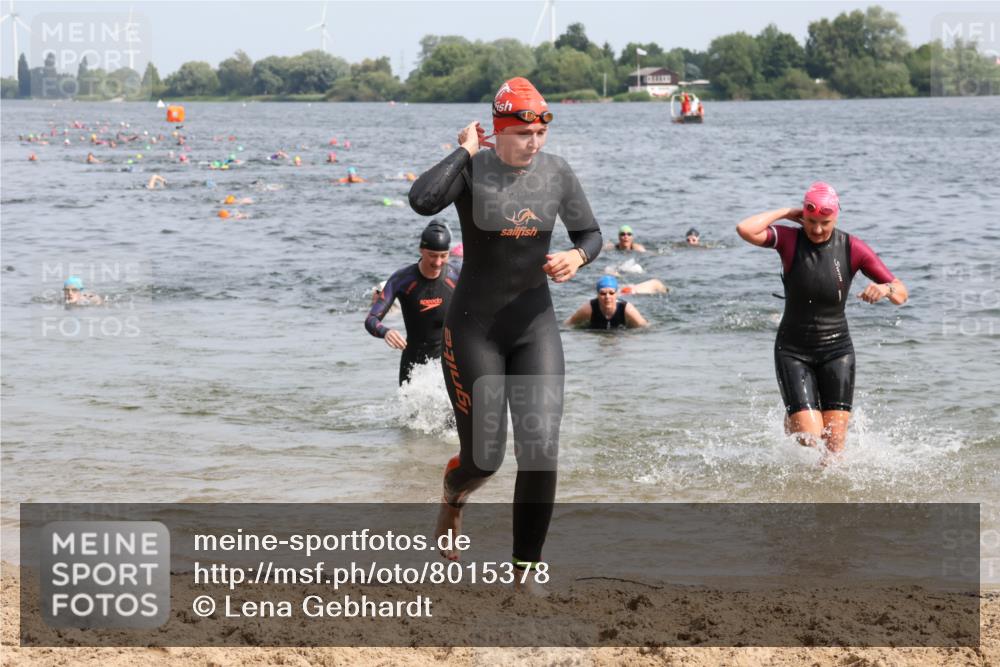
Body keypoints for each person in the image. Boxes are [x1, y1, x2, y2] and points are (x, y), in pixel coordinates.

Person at [409, 76, 601, 591]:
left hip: (534, 326)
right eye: (522, 134)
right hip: (475, 330)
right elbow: (423, 201)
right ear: (498, 131)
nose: (533, 143)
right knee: (484, 459)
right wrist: (463, 151)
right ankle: (452, 498)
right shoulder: (471, 170)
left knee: (540, 448)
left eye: (540, 133)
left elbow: (590, 233)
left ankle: (524, 570)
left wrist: (576, 256)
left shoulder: (557, 173)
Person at [736, 182, 908, 459]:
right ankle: (794, 416)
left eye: (825, 223)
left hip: (837, 351)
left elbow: (901, 292)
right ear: (803, 216)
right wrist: (786, 212)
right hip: (793, 352)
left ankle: (830, 500)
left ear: (836, 216)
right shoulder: (790, 240)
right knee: (810, 437)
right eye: (811, 221)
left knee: (835, 447)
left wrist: (885, 289)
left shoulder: (852, 247)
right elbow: (745, 229)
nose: (817, 230)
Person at [365, 220, 460, 385]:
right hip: (413, 364)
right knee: (412, 411)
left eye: (443, 256)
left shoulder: (456, 276)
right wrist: (385, 332)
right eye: (432, 255)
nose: (438, 262)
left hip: (448, 362)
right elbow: (371, 319)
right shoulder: (402, 279)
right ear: (421, 250)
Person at [565, 276, 649, 329]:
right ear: (597, 294)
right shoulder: (589, 309)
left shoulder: (626, 309)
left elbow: (644, 327)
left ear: (617, 294)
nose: (607, 297)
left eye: (611, 293)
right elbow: (568, 325)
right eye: (603, 293)